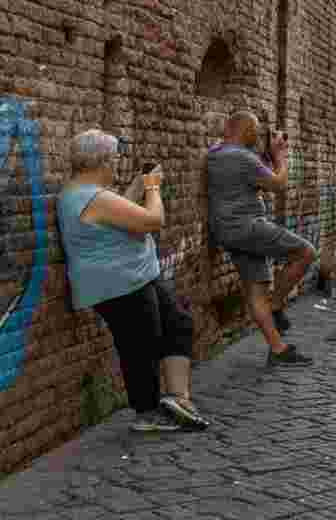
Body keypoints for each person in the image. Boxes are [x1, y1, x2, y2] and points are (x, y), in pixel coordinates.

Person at [60, 130, 210, 432]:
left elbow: (119, 215)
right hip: (118, 284)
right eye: (114, 159)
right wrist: (152, 188)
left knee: (177, 321)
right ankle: (147, 413)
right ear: (100, 162)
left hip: (134, 278)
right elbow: (152, 220)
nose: (116, 164)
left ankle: (178, 398)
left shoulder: (84, 194)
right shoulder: (91, 197)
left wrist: (135, 187)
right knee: (141, 347)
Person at [206, 111, 315, 367]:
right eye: (255, 132)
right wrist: (280, 157)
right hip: (248, 227)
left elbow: (248, 175)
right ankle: (276, 306)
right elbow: (278, 184)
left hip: (227, 231)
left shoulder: (216, 153)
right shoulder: (243, 157)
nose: (258, 137)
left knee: (256, 290)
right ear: (245, 131)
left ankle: (278, 349)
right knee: (306, 253)